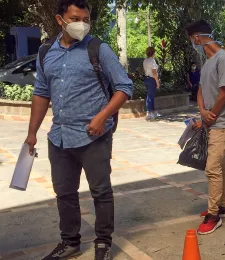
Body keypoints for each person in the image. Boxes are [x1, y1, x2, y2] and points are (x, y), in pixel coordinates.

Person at [24, 0, 133, 259]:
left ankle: (103, 242)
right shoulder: (45, 52)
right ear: (60, 19)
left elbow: (124, 87)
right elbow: (41, 94)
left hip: (94, 136)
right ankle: (70, 242)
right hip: (59, 137)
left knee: (101, 191)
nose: (81, 24)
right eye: (75, 18)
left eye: (86, 19)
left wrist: (102, 116)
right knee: (64, 193)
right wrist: (32, 133)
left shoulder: (98, 49)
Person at [185, 19, 225, 235]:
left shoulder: (223, 59)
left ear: (197, 38)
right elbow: (200, 91)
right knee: (220, 165)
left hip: (222, 123)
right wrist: (202, 112)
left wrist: (209, 116)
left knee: (211, 169)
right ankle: (224, 206)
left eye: (191, 39)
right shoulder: (208, 61)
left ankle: (213, 214)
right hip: (211, 121)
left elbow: (224, 94)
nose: (192, 43)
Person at [143, 46, 161, 121]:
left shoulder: (145, 60)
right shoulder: (152, 61)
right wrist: (157, 82)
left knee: (150, 95)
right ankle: (149, 112)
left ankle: (152, 111)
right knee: (150, 96)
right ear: (153, 53)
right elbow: (154, 72)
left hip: (146, 79)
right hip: (151, 79)